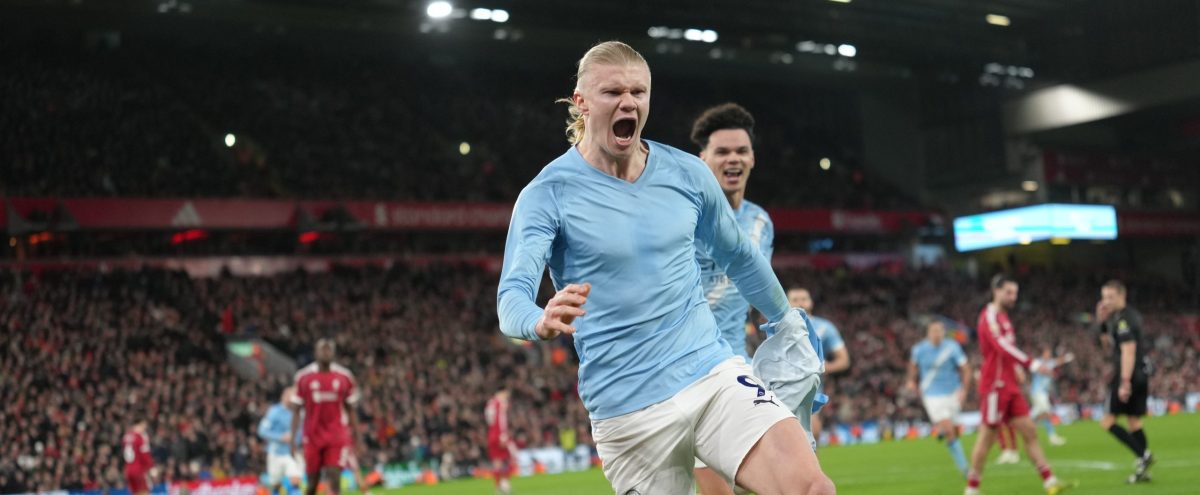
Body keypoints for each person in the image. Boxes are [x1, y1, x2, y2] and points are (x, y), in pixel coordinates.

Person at [496, 40, 834, 495]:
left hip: (712, 374)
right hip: (627, 410)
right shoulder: (547, 193)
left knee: (812, 488)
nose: (628, 102)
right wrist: (538, 320)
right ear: (581, 102)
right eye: (613, 92)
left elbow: (739, 255)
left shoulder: (688, 174)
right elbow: (511, 298)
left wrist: (786, 321)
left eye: (638, 92)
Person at [686, 102, 778, 495]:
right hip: (685, 373)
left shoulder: (761, 222)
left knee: (786, 481)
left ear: (752, 158)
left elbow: (756, 294)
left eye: (741, 150)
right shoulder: (682, 217)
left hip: (737, 367)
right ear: (702, 159)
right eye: (721, 151)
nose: (733, 159)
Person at [965, 275, 1075, 495]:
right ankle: (971, 490)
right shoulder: (989, 316)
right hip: (995, 385)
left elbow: (1007, 350)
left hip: (1010, 384)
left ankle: (1050, 482)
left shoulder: (1004, 317)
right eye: (1008, 292)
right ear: (996, 291)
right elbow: (1001, 345)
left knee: (1030, 431)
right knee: (987, 438)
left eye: (1015, 293)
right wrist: (1031, 364)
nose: (1013, 297)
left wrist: (1016, 369)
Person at [1095, 280, 1154, 483]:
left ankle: (1143, 455)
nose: (1106, 301)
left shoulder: (1123, 320)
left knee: (1107, 422)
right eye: (1104, 297)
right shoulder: (1121, 317)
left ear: (1122, 296)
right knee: (1133, 421)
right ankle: (1143, 470)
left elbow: (1128, 351)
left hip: (1129, 374)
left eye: (1111, 297)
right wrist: (1102, 322)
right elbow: (1106, 347)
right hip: (1140, 373)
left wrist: (1125, 382)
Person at [290, 339, 361, 495]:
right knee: (312, 484)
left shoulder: (345, 376)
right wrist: (293, 440)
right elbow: (296, 410)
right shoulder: (303, 377)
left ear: (334, 353)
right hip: (312, 435)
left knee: (334, 477)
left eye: (329, 349)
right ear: (316, 352)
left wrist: (358, 437)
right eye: (323, 349)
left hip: (336, 435)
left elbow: (351, 409)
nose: (326, 352)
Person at [906, 320, 971, 477]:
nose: (936, 334)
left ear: (944, 333)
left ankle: (943, 431)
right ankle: (965, 468)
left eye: (939, 331)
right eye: (933, 331)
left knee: (953, 431)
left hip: (952, 392)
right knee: (949, 429)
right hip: (931, 393)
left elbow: (965, 368)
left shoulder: (952, 347)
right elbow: (913, 366)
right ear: (928, 333)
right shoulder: (919, 349)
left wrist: (964, 389)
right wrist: (911, 381)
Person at [787, 288, 849, 447]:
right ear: (787, 303)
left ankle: (812, 463)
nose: (800, 303)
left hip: (811, 389)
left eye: (804, 299)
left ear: (811, 302)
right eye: (795, 299)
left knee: (813, 432)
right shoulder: (778, 326)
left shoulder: (825, 327)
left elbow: (844, 360)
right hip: (783, 387)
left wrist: (821, 367)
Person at [258, 387, 304, 495]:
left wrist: (298, 443)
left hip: (292, 453)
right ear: (284, 397)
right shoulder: (274, 412)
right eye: (291, 396)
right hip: (276, 453)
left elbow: (302, 431)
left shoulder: (299, 413)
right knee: (275, 486)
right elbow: (262, 431)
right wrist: (280, 437)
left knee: (295, 481)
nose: (293, 399)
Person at [1028, 347, 1074, 447]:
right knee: (1046, 413)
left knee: (1041, 414)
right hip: (1037, 392)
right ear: (1043, 353)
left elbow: (1058, 361)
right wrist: (1049, 372)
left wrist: (1066, 358)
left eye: (1049, 353)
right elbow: (1039, 369)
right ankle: (1051, 436)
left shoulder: (1050, 362)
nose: (1048, 355)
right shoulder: (1037, 362)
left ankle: (1028, 427)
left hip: (1043, 393)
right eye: (1047, 353)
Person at [486, 388, 517, 495]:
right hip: (501, 435)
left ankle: (498, 488)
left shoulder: (490, 403)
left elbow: (490, 420)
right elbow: (502, 420)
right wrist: (503, 435)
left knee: (497, 462)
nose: (507, 396)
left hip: (491, 434)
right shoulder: (501, 402)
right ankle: (505, 482)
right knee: (514, 457)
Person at [123, 415, 155, 495]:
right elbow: (145, 455)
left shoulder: (126, 436)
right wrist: (151, 468)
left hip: (128, 470)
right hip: (139, 470)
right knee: (144, 492)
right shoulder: (141, 436)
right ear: (140, 424)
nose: (145, 427)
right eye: (144, 425)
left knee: (135, 493)